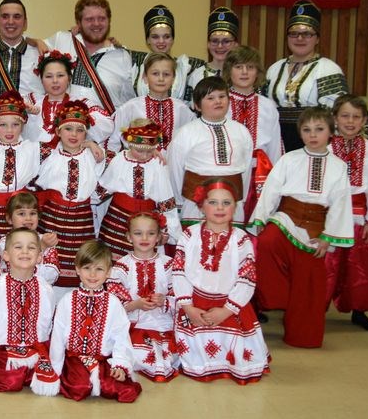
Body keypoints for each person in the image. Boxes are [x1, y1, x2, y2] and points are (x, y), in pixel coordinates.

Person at [251, 107, 354, 348]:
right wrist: (261, 219)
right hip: (286, 217)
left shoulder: (338, 167)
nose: (313, 135)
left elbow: (340, 203)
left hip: (316, 228)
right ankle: (276, 298)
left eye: (319, 129)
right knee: (267, 243)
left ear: (331, 132)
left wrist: (328, 237)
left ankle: (302, 334)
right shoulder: (289, 159)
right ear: (300, 133)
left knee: (309, 284)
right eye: (307, 130)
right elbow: (271, 190)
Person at [173, 178, 270, 383]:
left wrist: (227, 310)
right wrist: (188, 307)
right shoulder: (189, 236)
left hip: (230, 305)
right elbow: (179, 272)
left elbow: (247, 279)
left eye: (226, 203)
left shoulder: (242, 240)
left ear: (235, 207)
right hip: (195, 304)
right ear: (201, 206)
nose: (220, 208)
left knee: (239, 356)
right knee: (192, 355)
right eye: (213, 202)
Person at [49, 240, 142, 402]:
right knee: (79, 388)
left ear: (108, 272)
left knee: (121, 390)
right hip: (74, 360)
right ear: (77, 269)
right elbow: (58, 336)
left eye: (99, 269)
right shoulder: (67, 300)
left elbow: (121, 336)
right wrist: (55, 370)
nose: (92, 275)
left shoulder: (113, 303)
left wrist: (120, 364)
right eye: (87, 268)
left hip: (102, 360)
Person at [326, 94, 368, 332]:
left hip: (359, 217)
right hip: (331, 216)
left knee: (359, 267)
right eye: (345, 116)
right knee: (327, 266)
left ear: (364, 121)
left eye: (356, 117)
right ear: (335, 118)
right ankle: (315, 310)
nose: (350, 122)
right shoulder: (327, 147)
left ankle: (359, 311)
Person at [0, 227, 59, 395]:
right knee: (10, 382)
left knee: (50, 380)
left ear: (39, 257)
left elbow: (48, 322)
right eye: (18, 247)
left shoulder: (45, 288)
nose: (25, 252)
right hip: (4, 349)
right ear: (6, 255)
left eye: (31, 247)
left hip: (36, 348)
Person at [35, 100, 105, 297]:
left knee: (80, 267)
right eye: (68, 129)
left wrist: (92, 144)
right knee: (48, 268)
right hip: (52, 218)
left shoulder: (94, 156)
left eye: (79, 130)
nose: (73, 135)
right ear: (58, 131)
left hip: (81, 220)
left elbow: (113, 176)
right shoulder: (47, 154)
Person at [168, 76, 253, 228]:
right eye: (210, 98)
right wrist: (179, 204)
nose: (218, 101)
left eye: (222, 96)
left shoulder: (242, 131)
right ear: (197, 106)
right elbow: (175, 170)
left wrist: (240, 200)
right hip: (196, 207)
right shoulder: (186, 132)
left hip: (232, 205)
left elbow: (245, 171)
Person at [265, 0, 349, 151]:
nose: (299, 38)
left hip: (314, 141)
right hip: (277, 141)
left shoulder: (328, 69)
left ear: (317, 38)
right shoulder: (274, 69)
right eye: (294, 34)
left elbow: (337, 114)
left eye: (307, 34)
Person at [107, 213, 179, 382]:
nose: (144, 238)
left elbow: (180, 296)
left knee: (169, 355)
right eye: (138, 233)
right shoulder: (121, 267)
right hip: (134, 322)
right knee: (137, 353)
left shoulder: (169, 264)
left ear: (159, 237)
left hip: (163, 322)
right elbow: (114, 303)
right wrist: (135, 304)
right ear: (129, 237)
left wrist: (164, 301)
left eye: (151, 233)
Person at [98, 120, 181, 258]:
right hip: (117, 220)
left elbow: (166, 200)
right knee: (112, 259)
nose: (144, 156)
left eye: (149, 151)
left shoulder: (157, 164)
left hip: (147, 221)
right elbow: (102, 188)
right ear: (130, 144)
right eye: (139, 151)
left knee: (143, 260)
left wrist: (168, 230)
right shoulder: (119, 160)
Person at [46, 0, 135, 115]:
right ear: (78, 22)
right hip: (64, 130)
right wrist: (35, 42)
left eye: (102, 18)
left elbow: (129, 103)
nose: (96, 24)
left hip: (106, 132)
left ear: (109, 20)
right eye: (89, 19)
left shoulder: (122, 56)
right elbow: (28, 48)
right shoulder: (61, 40)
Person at [0, 90, 43, 247]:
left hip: (20, 213)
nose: (9, 131)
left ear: (23, 124)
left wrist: (89, 143)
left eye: (15, 124)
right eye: (3, 125)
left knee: (18, 251)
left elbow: (64, 146)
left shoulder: (33, 148)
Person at [222, 46, 282, 222]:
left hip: (259, 173)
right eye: (238, 67)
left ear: (258, 72)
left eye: (250, 67)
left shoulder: (267, 106)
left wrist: (276, 181)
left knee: (256, 222)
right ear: (229, 71)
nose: (244, 72)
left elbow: (275, 147)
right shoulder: (221, 102)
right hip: (229, 169)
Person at [109, 52, 195, 153]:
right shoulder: (131, 107)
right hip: (139, 165)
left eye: (166, 74)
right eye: (155, 74)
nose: (161, 79)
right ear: (145, 77)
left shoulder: (182, 109)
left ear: (173, 78)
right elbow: (112, 140)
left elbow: (192, 140)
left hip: (172, 165)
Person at [24, 50, 112, 146]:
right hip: (33, 157)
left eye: (60, 75)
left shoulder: (82, 104)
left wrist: (83, 116)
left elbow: (107, 127)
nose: (55, 81)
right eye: (49, 76)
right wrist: (23, 110)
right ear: (41, 79)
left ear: (69, 78)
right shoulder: (31, 101)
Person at [131, 4, 205, 102]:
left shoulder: (189, 67)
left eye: (166, 36)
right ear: (147, 40)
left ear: (173, 39)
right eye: (155, 37)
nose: (161, 41)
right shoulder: (136, 63)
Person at [0, 0, 45, 98]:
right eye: (5, 16)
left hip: (31, 113)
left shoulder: (41, 54)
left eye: (17, 17)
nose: (11, 22)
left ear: (25, 23)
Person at [0, 192, 59, 285]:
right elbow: (17, 270)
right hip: (9, 291)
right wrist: (42, 247)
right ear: (9, 219)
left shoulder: (47, 240)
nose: (28, 218)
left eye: (33, 213)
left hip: (39, 293)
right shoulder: (4, 242)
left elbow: (52, 275)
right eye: (21, 213)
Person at [185, 7, 240, 104]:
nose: (220, 46)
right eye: (215, 41)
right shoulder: (197, 75)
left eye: (226, 41)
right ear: (208, 44)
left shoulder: (242, 75)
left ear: (236, 44)